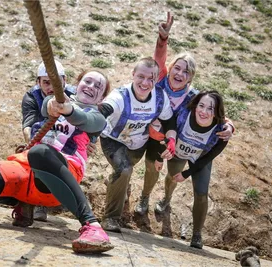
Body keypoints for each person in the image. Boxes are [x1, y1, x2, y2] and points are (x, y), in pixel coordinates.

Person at [0, 70, 114, 253]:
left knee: (40, 153)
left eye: (98, 86)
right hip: (26, 167)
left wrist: (69, 110)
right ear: (77, 83)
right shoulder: (56, 99)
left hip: (60, 176)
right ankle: (24, 202)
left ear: (101, 98)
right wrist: (57, 105)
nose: (91, 87)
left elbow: (86, 120)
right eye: (87, 81)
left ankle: (92, 226)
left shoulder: (97, 118)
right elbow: (47, 106)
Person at [134, 12, 235, 216]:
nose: (180, 74)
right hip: (151, 136)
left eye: (186, 72)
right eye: (177, 68)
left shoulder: (194, 96)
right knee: (151, 169)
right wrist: (163, 39)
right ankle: (144, 197)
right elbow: (158, 58)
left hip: (175, 143)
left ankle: (166, 200)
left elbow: (213, 113)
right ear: (169, 69)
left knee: (173, 174)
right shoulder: (160, 78)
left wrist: (230, 125)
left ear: (190, 78)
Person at [98, 57, 177, 233]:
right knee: (124, 170)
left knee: (124, 171)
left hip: (138, 144)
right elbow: (104, 110)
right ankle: (110, 218)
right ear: (133, 75)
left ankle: (118, 186)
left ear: (156, 80)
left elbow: (169, 120)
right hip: (113, 139)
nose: (145, 82)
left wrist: (171, 140)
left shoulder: (159, 97)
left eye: (151, 79)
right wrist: (91, 130)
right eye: (141, 76)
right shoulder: (120, 96)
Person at [158, 90, 229, 249]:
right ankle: (166, 199)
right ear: (196, 105)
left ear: (216, 111)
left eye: (210, 108)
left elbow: (209, 157)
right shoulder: (184, 114)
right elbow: (168, 129)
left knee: (202, 193)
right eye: (201, 106)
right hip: (178, 152)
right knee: (171, 176)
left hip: (200, 159)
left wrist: (187, 173)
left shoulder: (221, 131)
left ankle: (197, 234)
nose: (204, 111)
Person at [20, 60, 75, 222]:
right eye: (46, 82)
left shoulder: (74, 94)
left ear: (65, 80)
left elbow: (88, 117)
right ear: (38, 82)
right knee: (33, 161)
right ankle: (33, 203)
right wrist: (31, 144)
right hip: (41, 136)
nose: (51, 87)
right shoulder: (32, 96)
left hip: (66, 140)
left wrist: (89, 141)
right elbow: (28, 125)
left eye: (57, 82)